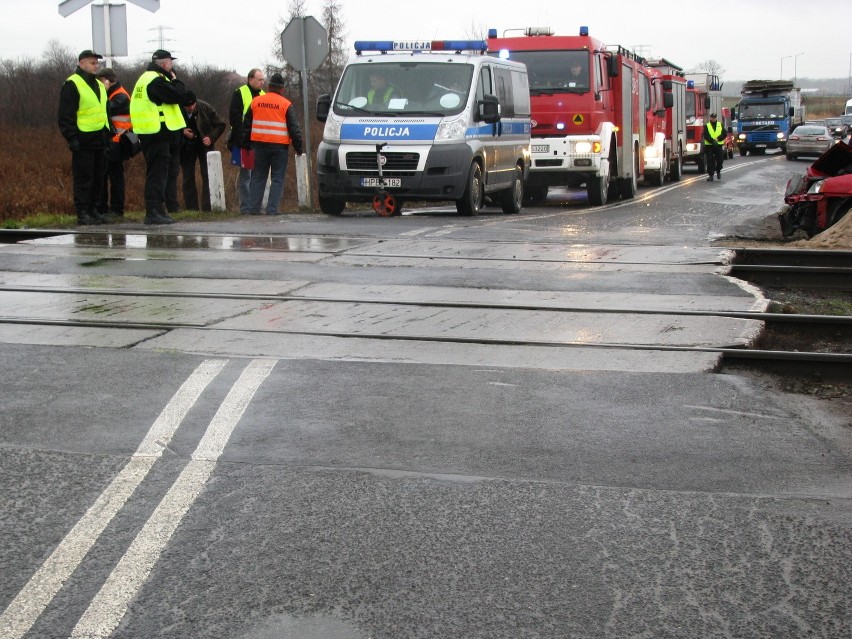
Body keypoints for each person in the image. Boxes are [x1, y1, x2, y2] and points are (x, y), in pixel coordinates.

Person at [130, 49, 187, 224]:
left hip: (153, 132)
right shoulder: (155, 80)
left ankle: (158, 209)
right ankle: (153, 210)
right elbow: (178, 94)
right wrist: (176, 80)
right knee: (157, 173)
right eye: (170, 62)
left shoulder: (146, 78)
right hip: (156, 133)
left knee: (160, 173)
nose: (172, 65)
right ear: (163, 63)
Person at [57, 50, 111, 225]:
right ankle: (82, 212)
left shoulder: (100, 85)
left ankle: (93, 210)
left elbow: (104, 112)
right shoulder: (72, 84)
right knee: (84, 178)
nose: (96, 66)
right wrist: (72, 138)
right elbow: (65, 116)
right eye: (92, 63)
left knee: (98, 177)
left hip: (100, 138)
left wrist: (108, 134)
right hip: (83, 139)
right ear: (81, 63)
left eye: (97, 63)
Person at [241, 73, 304, 215]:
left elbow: (246, 125)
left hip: (258, 146)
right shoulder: (286, 104)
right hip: (279, 148)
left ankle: (253, 209)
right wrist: (299, 148)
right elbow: (295, 130)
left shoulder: (256, 102)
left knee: (257, 177)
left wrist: (245, 145)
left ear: (269, 87)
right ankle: (272, 210)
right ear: (282, 89)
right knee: (277, 179)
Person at [180, 91, 226, 211]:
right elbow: (170, 126)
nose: (190, 108)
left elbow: (220, 125)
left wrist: (211, 137)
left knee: (207, 175)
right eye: (187, 106)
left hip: (204, 145)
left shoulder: (205, 107)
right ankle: (191, 209)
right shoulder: (177, 109)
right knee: (188, 176)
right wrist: (182, 131)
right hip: (186, 145)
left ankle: (208, 207)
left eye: (192, 105)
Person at [95, 67, 131, 221]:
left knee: (116, 177)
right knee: (103, 175)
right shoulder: (112, 94)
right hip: (110, 141)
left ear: (107, 80)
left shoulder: (121, 96)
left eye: (100, 81)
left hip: (117, 141)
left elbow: (105, 110)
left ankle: (116, 209)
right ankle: (103, 207)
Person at [228, 68, 265, 213]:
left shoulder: (263, 95)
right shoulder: (240, 93)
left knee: (259, 175)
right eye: (259, 80)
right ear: (250, 79)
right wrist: (241, 140)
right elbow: (235, 118)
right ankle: (245, 208)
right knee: (246, 176)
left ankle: (257, 206)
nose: (262, 82)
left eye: (263, 80)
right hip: (244, 141)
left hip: (259, 140)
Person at [703, 112, 726, 182]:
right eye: (712, 117)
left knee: (720, 160)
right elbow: (706, 135)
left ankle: (718, 170)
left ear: (716, 118)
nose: (713, 119)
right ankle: (711, 175)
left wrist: (718, 139)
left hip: (718, 145)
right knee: (710, 161)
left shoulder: (720, 125)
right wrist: (712, 141)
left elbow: (724, 133)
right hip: (709, 145)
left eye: (714, 117)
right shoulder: (707, 126)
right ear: (710, 118)